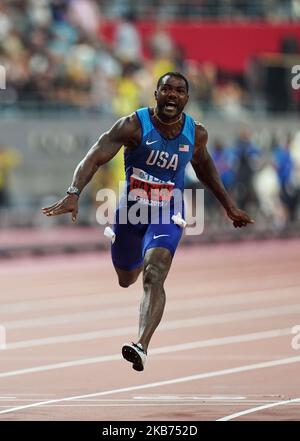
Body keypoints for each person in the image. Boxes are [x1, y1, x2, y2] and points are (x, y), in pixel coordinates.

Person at [42, 72, 254, 372]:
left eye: (179, 91)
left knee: (154, 273)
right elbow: (95, 155)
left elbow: (206, 169)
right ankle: (141, 255)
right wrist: (73, 192)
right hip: (131, 213)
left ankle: (141, 345)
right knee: (126, 279)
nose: (172, 95)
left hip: (168, 212)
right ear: (156, 94)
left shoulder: (196, 133)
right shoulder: (133, 125)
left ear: (186, 99)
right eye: (166, 89)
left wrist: (229, 207)